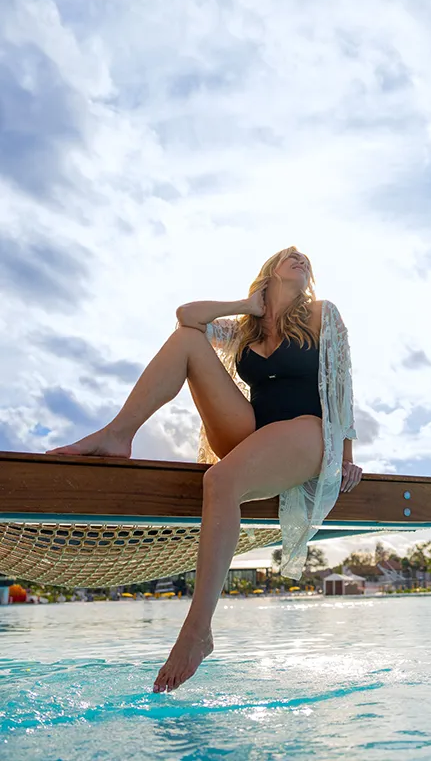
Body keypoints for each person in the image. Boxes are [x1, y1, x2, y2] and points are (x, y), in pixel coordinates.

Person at [47, 247, 362, 693]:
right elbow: (186, 316)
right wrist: (248, 306)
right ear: (270, 270)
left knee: (219, 480)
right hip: (252, 432)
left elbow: (342, 381)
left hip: (308, 434)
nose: (301, 258)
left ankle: (197, 631)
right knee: (187, 341)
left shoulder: (321, 314)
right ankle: (118, 434)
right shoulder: (245, 327)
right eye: (290, 255)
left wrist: (345, 455)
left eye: (305, 258)